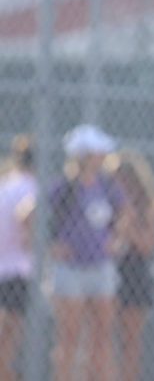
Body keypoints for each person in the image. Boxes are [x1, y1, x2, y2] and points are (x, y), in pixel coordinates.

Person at [48, 124, 123, 381]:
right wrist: (52, 246)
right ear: (84, 156)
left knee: (102, 337)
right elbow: (34, 218)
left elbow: (124, 215)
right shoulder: (64, 187)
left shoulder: (108, 187)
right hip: (71, 270)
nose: (103, 157)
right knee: (69, 337)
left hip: (100, 267)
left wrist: (116, 240)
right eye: (97, 153)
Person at [107, 149, 154, 381]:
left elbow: (148, 245)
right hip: (111, 273)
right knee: (106, 338)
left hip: (135, 273)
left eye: (123, 181)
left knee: (131, 341)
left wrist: (129, 227)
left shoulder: (145, 207)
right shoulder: (107, 206)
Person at [0, 135, 38, 381]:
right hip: (18, 271)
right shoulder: (31, 187)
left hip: (4, 269)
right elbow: (27, 224)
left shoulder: (5, 185)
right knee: (9, 342)